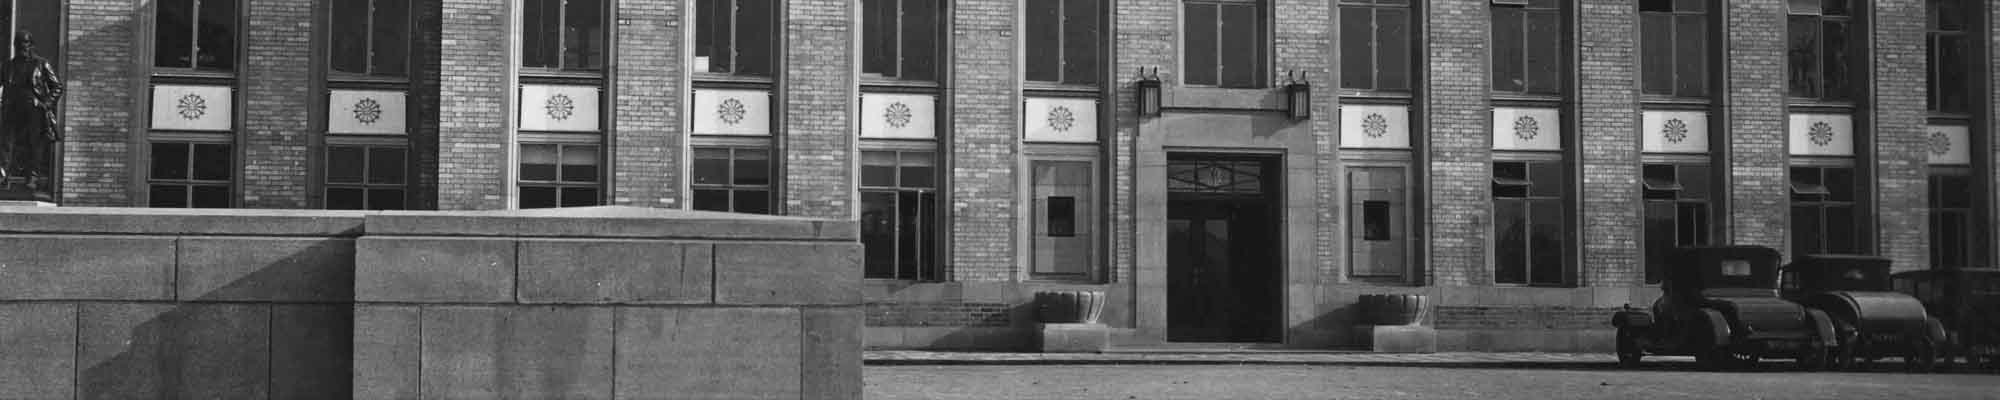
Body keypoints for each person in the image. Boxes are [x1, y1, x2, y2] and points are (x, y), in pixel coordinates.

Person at [0, 30, 64, 183]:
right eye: (19, 44)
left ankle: (32, 178)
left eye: (26, 43)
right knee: (6, 144)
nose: (23, 47)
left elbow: (57, 87)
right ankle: (2, 176)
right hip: (12, 109)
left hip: (34, 110)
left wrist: (45, 104)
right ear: (15, 46)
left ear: (31, 45)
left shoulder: (41, 64)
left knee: (34, 144)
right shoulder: (7, 66)